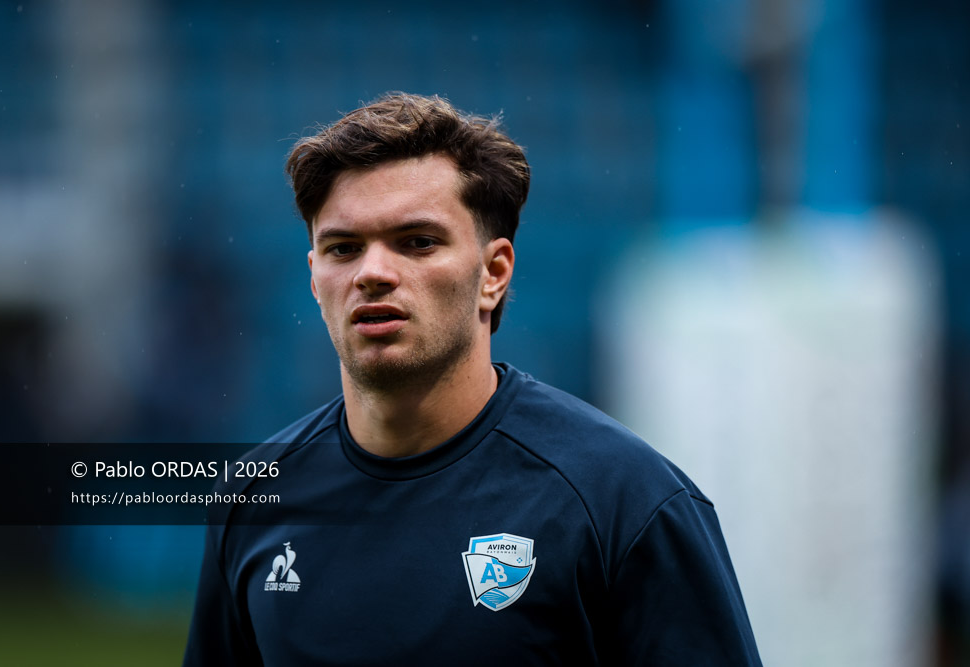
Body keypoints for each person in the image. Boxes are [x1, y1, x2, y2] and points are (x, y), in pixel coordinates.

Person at [183, 93, 762, 666]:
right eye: (343, 248)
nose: (373, 273)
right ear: (315, 278)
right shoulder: (252, 499)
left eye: (417, 243)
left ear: (493, 273)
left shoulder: (625, 502)